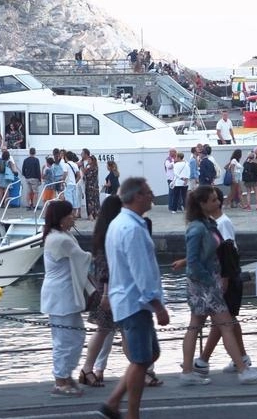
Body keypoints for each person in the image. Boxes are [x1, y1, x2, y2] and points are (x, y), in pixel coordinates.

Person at [178, 185, 257, 385]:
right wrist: (211, 281)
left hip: (205, 283)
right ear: (202, 204)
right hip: (205, 285)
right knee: (224, 324)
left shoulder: (208, 224)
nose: (217, 202)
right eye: (212, 200)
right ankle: (242, 369)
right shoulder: (198, 228)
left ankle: (190, 370)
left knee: (199, 325)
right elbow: (193, 260)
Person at [101, 178, 168, 419]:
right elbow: (142, 270)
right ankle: (131, 413)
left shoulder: (118, 223)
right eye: (149, 193)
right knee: (141, 360)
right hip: (134, 301)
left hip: (126, 298)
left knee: (148, 355)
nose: (152, 196)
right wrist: (158, 305)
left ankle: (114, 400)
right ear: (137, 196)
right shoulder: (132, 229)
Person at [40, 200, 93, 397]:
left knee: (74, 336)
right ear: (61, 219)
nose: (73, 217)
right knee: (66, 339)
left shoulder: (59, 236)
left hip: (61, 294)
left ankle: (65, 374)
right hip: (62, 295)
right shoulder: (61, 239)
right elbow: (83, 258)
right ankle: (61, 380)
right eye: (70, 214)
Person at [80, 196, 126, 388]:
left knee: (105, 331)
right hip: (111, 290)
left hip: (105, 289)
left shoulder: (101, 233)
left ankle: (94, 369)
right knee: (110, 331)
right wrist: (107, 293)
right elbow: (107, 267)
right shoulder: (112, 235)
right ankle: (143, 369)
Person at [82, 149, 100, 220]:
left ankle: (91, 215)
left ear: (92, 161)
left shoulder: (93, 168)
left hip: (91, 187)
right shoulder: (93, 167)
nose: (88, 161)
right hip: (93, 187)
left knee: (91, 201)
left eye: (89, 160)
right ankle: (94, 214)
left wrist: (84, 170)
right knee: (94, 200)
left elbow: (87, 176)